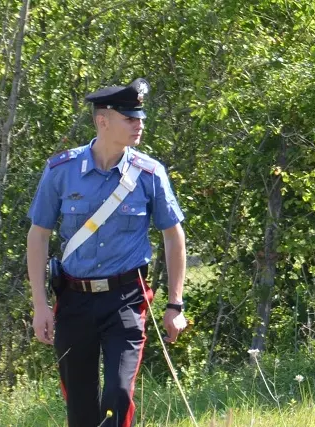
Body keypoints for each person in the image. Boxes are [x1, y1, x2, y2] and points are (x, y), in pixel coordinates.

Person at [26, 78, 188, 427]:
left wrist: (175, 304)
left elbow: (174, 237)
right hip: (73, 299)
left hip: (126, 298)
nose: (139, 123)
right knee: (80, 407)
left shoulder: (149, 174)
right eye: (130, 117)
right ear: (103, 121)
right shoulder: (61, 171)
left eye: (140, 116)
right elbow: (38, 236)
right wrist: (40, 304)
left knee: (118, 394)